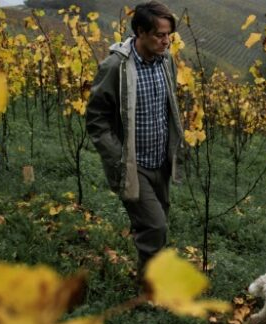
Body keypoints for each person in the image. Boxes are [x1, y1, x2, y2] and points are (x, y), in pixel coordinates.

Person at [85, 1, 183, 281]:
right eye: (160, 35)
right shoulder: (115, 66)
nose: (166, 41)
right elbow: (96, 119)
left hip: (160, 161)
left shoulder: (166, 61)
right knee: (155, 227)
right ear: (140, 31)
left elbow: (169, 106)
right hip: (132, 164)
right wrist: (117, 156)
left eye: (168, 35)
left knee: (157, 222)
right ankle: (149, 290)